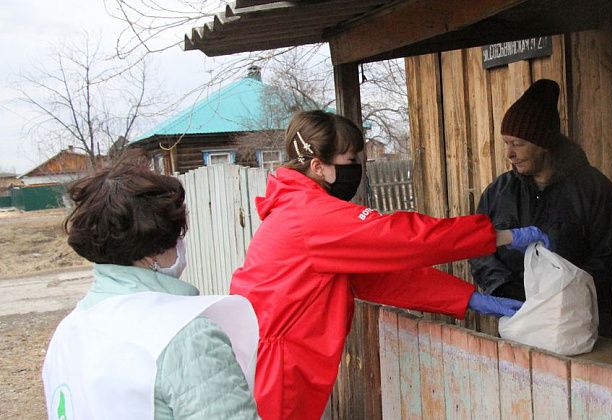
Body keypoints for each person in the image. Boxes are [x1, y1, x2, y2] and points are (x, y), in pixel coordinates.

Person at [230, 110, 545, 420]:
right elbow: (409, 238)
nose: (358, 170)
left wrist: (466, 298)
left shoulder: (295, 209)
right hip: (276, 370)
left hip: (271, 360)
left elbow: (379, 278)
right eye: (351, 161)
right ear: (318, 166)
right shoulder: (311, 215)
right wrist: (497, 236)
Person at [42, 155, 260, 419]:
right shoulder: (185, 337)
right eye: (177, 236)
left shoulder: (69, 331)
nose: (181, 245)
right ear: (151, 254)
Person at [469, 79, 612, 339]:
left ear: (544, 143)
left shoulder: (592, 188)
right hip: (519, 318)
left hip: (580, 323)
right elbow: (478, 249)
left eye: (518, 143)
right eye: (506, 143)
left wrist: (565, 295)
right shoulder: (500, 191)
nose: (509, 153)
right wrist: (503, 290)